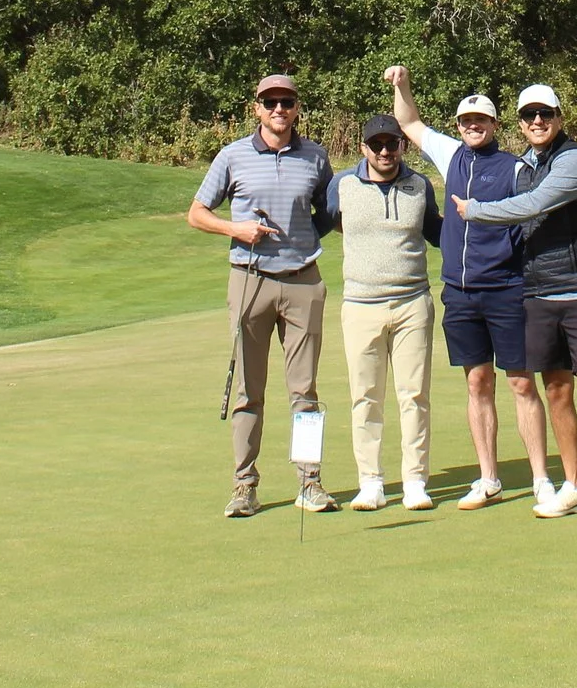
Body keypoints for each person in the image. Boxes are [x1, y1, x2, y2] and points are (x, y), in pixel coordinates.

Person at [452, 84, 577, 536]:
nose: (536, 122)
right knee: (556, 392)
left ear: (559, 117)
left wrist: (476, 211)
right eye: (528, 115)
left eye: (544, 113)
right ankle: (575, 485)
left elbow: (534, 205)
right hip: (539, 294)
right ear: (520, 122)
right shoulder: (525, 165)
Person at [386, 65, 553, 512]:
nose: (473, 127)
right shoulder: (452, 155)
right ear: (459, 127)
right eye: (466, 122)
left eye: (481, 121)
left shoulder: (516, 167)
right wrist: (403, 85)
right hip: (459, 292)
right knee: (477, 382)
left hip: (506, 288)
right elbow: (409, 123)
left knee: (520, 383)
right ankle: (488, 478)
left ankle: (541, 478)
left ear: (495, 126)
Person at [188, 74, 336, 519]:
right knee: (249, 391)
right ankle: (244, 485)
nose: (278, 109)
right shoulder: (232, 155)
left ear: (296, 107)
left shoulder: (315, 156)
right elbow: (197, 213)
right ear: (256, 108)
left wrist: (305, 238)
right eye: (269, 102)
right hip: (249, 280)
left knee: (304, 391)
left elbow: (326, 212)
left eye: (286, 102)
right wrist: (237, 229)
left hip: (303, 281)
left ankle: (309, 482)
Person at [322, 115, 441, 511]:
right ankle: (371, 481)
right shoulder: (343, 185)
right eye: (378, 145)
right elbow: (317, 225)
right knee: (366, 397)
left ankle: (414, 481)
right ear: (364, 148)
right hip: (360, 305)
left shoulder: (419, 186)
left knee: (414, 396)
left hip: (413, 304)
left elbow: (438, 234)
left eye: (392, 144)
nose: (386, 151)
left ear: (401, 147)